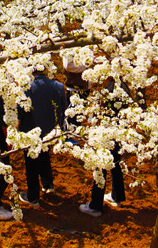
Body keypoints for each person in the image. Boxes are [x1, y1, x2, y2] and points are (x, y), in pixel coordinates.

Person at [79, 77, 132, 217]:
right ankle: (116, 196)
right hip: (118, 132)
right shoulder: (122, 85)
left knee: (101, 165)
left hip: (108, 133)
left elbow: (106, 112)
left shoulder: (112, 89)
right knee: (115, 162)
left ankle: (95, 206)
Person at [17, 67, 68, 208]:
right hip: (50, 130)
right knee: (45, 154)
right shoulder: (58, 86)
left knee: (31, 164)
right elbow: (63, 108)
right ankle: (48, 184)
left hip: (30, 130)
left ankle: (33, 197)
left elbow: (19, 113)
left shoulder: (25, 88)